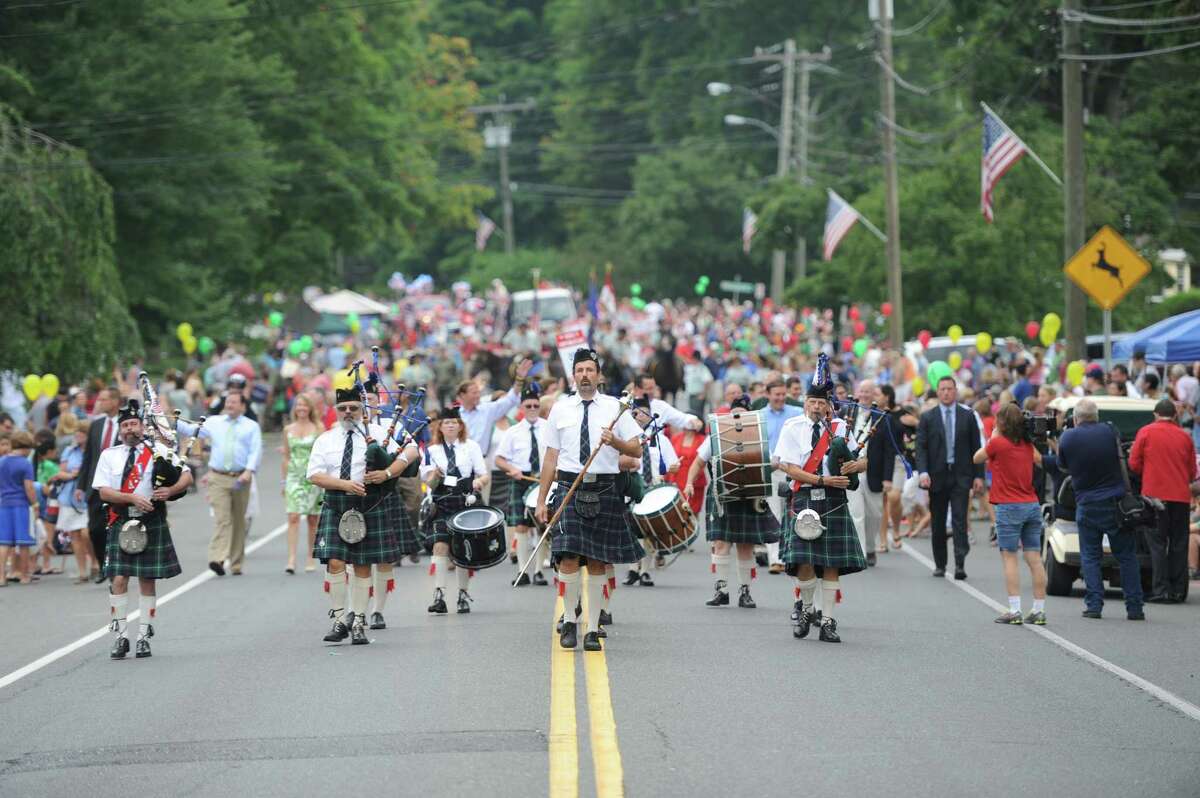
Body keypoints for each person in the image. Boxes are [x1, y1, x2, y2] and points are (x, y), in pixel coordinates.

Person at [535, 348, 644, 652]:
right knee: (568, 557)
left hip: (605, 488)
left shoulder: (616, 408)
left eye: (590, 370)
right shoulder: (560, 408)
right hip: (569, 485)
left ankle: (592, 629)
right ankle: (570, 620)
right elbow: (550, 458)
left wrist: (616, 442)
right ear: (573, 375)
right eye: (579, 370)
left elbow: (636, 450)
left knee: (597, 561)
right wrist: (542, 500)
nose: (584, 375)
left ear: (599, 375)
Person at [307, 387, 414, 645]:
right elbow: (313, 475)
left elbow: (411, 453)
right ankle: (340, 619)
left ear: (362, 410)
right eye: (343, 408)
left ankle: (358, 622)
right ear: (336, 410)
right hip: (336, 503)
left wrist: (387, 474)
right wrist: (344, 485)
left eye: (353, 408)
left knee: (363, 565)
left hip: (369, 504)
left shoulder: (377, 433)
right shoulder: (326, 439)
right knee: (334, 563)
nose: (347, 412)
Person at [773, 355, 868, 643]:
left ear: (829, 405)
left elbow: (864, 460)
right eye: (812, 402)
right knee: (804, 561)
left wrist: (855, 465)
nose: (817, 407)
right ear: (805, 403)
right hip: (805, 497)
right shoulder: (793, 428)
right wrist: (820, 480)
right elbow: (786, 466)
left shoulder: (841, 428)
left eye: (821, 403)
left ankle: (827, 620)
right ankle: (806, 609)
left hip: (834, 500)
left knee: (830, 563)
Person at [93, 399, 194, 658]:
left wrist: (170, 490)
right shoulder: (109, 455)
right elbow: (103, 490)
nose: (130, 429)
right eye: (125, 425)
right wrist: (130, 498)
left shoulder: (158, 450)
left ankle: (143, 636)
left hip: (151, 519)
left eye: (134, 424)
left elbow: (187, 476)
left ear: (142, 426)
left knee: (147, 579)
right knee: (118, 579)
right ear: (119, 430)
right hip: (121, 518)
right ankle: (121, 635)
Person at [685, 393, 779, 609]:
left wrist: (773, 464)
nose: (739, 419)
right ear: (731, 414)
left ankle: (745, 592)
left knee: (745, 546)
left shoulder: (757, 434)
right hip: (722, 494)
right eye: (736, 414)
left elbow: (771, 463)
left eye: (744, 415)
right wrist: (689, 483)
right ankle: (722, 589)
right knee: (720, 543)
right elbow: (698, 462)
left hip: (749, 494)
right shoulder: (718, 434)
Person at [1057, 398, 1144, 620]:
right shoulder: (1109, 430)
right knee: (1126, 556)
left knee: (1090, 556)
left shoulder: (1068, 437)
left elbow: (1063, 465)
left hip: (1086, 503)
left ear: (1076, 419)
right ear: (1097, 416)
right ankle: (1134, 608)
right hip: (1115, 502)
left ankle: (1094, 605)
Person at [973, 404, 1048, 625]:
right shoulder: (1027, 444)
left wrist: (994, 436)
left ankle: (1015, 610)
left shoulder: (997, 443)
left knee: (1010, 557)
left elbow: (976, 458)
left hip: (1008, 505)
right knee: (1034, 558)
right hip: (1031, 504)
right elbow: (1038, 459)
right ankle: (1039, 609)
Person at [181, 391, 262, 576]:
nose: (230, 405)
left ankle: (235, 563)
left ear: (243, 406)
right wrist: (171, 421)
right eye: (228, 402)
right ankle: (217, 558)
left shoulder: (251, 426)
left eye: (234, 402)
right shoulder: (214, 422)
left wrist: (249, 471)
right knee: (222, 519)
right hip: (217, 477)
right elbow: (192, 430)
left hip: (241, 477)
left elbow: (255, 451)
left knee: (239, 521)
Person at [421, 405, 489, 614]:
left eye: (454, 422)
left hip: (466, 501)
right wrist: (435, 476)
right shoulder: (431, 452)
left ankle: (462, 594)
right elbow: (428, 484)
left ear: (460, 426)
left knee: (462, 548)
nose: (450, 426)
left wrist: (478, 483)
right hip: (442, 502)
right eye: (446, 423)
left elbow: (483, 475)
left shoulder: (471, 447)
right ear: (439, 427)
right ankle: (439, 595)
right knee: (439, 546)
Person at [1129, 398, 1198, 603]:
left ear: (1156, 414)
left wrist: (1148, 474)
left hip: (1154, 495)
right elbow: (1192, 472)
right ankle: (1178, 591)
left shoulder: (1146, 432)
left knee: (1157, 543)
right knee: (1179, 543)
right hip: (1180, 497)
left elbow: (1134, 463)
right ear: (1175, 415)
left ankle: (1160, 589)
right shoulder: (1185, 437)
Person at [916, 376, 984, 580]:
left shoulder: (967, 416)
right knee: (937, 522)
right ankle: (940, 564)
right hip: (936, 476)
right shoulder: (928, 417)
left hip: (961, 475)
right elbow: (921, 448)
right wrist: (923, 472)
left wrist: (979, 475)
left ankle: (960, 563)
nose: (946, 392)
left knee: (959, 520)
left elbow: (977, 447)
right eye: (943, 389)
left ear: (956, 391)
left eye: (950, 389)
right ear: (938, 392)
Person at [621, 394, 680, 586]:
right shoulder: (627, 438)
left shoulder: (660, 439)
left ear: (648, 414)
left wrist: (673, 467)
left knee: (647, 531)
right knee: (631, 531)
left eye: (640, 413)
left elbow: (673, 464)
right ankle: (632, 569)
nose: (637, 416)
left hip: (653, 487)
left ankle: (645, 571)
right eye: (634, 412)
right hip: (631, 486)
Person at [494, 385, 549, 586]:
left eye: (536, 405)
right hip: (520, 479)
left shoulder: (548, 427)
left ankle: (539, 571)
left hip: (543, 480)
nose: (533, 408)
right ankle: (522, 571)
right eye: (529, 405)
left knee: (543, 525)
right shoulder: (513, 431)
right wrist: (511, 469)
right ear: (522, 408)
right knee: (521, 526)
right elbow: (499, 459)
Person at [76, 386, 121, 583]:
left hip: (119, 484)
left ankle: (118, 566)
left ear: (114, 401)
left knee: (117, 527)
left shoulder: (126, 423)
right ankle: (104, 564)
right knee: (95, 529)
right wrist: (80, 485)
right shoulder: (96, 425)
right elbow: (88, 458)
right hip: (97, 484)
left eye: (103, 399)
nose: (99, 403)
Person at [761, 379, 802, 573]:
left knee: (796, 512)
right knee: (774, 513)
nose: (779, 398)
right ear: (767, 394)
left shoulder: (796, 414)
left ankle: (795, 556)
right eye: (776, 394)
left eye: (782, 394)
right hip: (772, 469)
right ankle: (775, 559)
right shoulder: (760, 417)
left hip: (794, 468)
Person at [282, 393, 323, 574]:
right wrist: (283, 481)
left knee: (313, 519)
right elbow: (286, 456)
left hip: (312, 477)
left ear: (310, 408)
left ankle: (310, 557)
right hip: (293, 476)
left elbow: (323, 454)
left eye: (305, 406)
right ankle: (291, 559)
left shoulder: (318, 428)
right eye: (298, 405)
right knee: (293, 517)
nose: (301, 409)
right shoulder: (288, 429)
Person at [56, 425, 96, 582]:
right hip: (69, 497)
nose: (78, 435)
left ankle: (95, 561)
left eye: (82, 432)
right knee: (74, 535)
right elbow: (61, 472)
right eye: (77, 432)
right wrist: (71, 475)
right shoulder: (69, 450)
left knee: (87, 533)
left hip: (87, 495)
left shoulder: (93, 451)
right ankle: (82, 572)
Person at [0, 430, 38, 585]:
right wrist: (35, 503)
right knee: (24, 542)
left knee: (4, 542)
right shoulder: (25, 463)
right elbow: (29, 487)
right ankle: (24, 575)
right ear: (26, 447)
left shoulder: (1, 461)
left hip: (4, 505)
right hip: (21, 505)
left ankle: (1, 577)